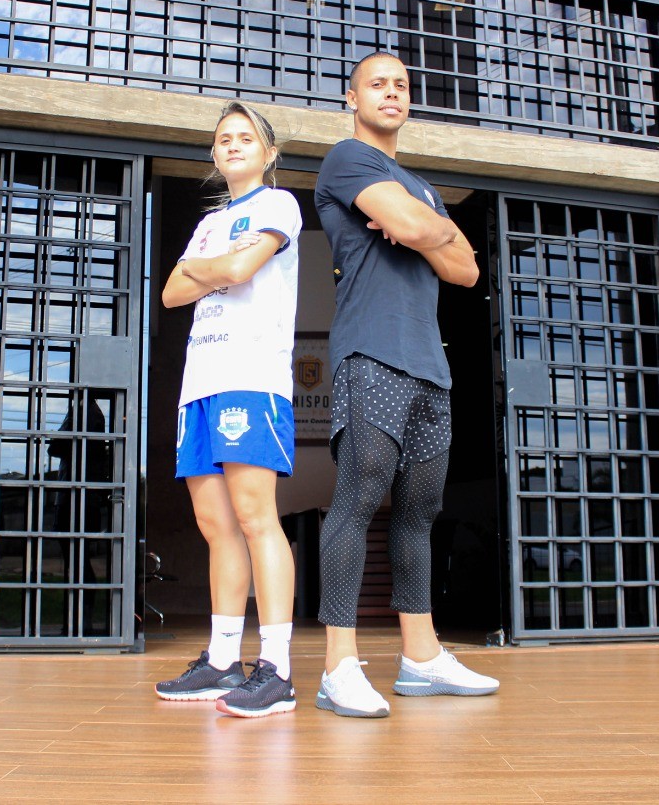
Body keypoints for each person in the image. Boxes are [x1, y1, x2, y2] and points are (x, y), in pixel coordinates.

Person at [313, 52, 499, 718]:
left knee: (419, 513)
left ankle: (421, 658)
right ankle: (339, 665)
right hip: (371, 352)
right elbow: (430, 237)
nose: (391, 93)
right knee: (360, 496)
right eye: (377, 84)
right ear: (352, 96)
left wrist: (424, 226)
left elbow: (467, 271)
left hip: (429, 364)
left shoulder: (420, 187)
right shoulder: (346, 159)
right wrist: (428, 232)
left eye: (401, 86)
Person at [155, 101, 301, 718]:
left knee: (255, 516)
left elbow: (241, 269)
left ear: (267, 153)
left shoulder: (277, 205)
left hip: (251, 377)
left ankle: (277, 669)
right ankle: (222, 661)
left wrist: (205, 271)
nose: (234, 145)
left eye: (246, 137)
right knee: (215, 525)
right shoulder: (210, 222)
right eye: (224, 139)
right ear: (214, 155)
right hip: (200, 385)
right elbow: (170, 292)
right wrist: (212, 269)